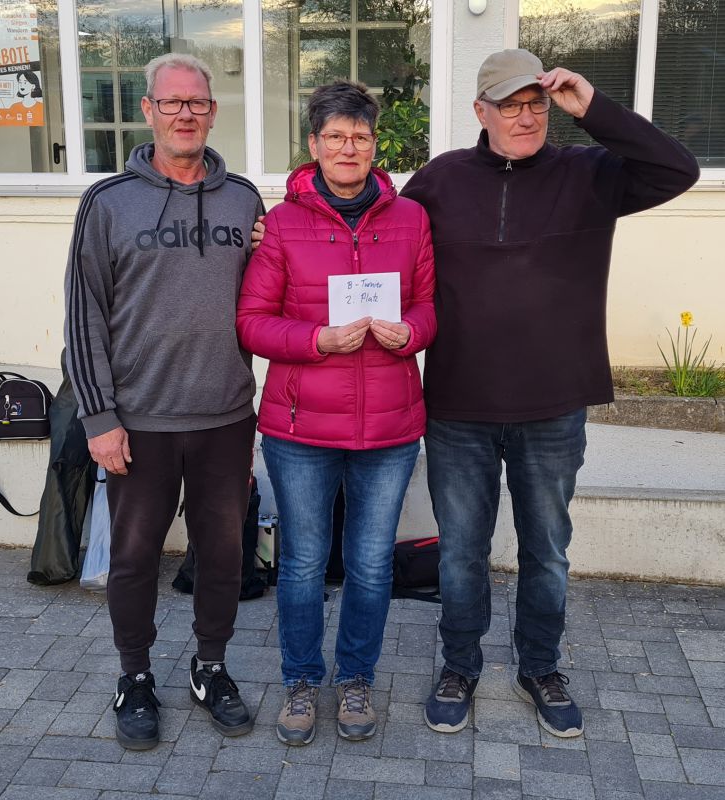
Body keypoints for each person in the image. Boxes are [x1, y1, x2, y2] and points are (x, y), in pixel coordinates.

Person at [400, 48, 699, 738]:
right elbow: (379, 237)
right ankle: (459, 666)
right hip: (460, 407)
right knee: (460, 553)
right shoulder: (442, 179)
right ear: (480, 112)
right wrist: (284, 231)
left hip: (553, 406)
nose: (526, 117)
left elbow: (677, 169)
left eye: (535, 103)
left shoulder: (590, 173)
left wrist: (593, 108)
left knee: (547, 552)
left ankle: (539, 666)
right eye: (509, 105)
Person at [64, 52, 264, 750]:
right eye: (172, 102)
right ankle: (135, 677)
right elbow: (84, 316)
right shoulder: (108, 202)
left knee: (223, 555)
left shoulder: (244, 200)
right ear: (148, 110)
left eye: (197, 103)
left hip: (225, 416)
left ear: (212, 112)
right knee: (134, 557)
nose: (185, 114)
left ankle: (210, 668)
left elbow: (264, 295)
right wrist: (99, 418)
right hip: (138, 421)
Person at [237, 80, 436, 746]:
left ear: (375, 144)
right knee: (300, 563)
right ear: (314, 144)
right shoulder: (281, 223)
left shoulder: (410, 218)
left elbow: (428, 306)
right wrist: (317, 339)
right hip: (299, 428)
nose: (348, 148)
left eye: (360, 136)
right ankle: (300, 681)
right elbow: (251, 321)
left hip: (388, 427)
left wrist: (412, 331)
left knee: (372, 566)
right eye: (335, 137)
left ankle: (355, 680)